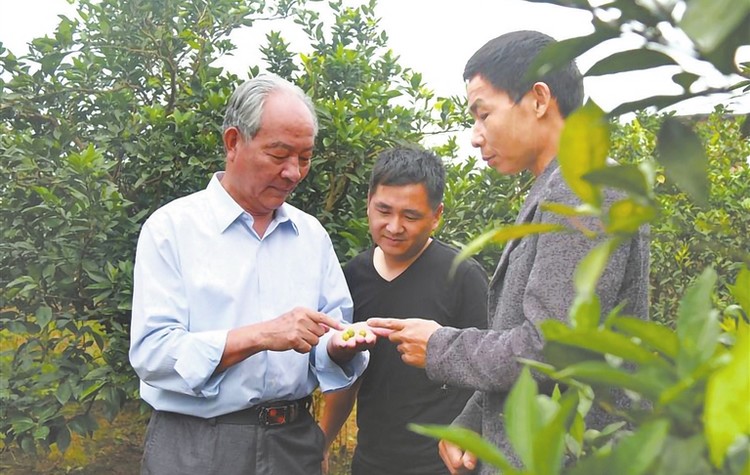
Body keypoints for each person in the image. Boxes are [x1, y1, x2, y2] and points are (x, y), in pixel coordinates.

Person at [368, 30, 650, 475]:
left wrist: (439, 345)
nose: (476, 137)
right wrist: (472, 422)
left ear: (539, 99)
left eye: (483, 114)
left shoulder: (584, 188)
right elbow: (518, 332)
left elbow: (547, 348)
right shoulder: (555, 186)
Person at [129, 74, 375, 475]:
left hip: (292, 441)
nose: (293, 172)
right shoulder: (173, 228)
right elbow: (154, 354)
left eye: (305, 157)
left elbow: (327, 333)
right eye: (279, 155)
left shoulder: (310, 236)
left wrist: (339, 345)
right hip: (197, 445)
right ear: (233, 142)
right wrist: (262, 335)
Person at [319, 146, 489, 475]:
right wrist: (322, 442)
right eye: (384, 210)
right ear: (368, 203)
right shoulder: (354, 275)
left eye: (410, 216)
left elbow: (489, 372)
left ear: (436, 215)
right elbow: (350, 376)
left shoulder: (462, 276)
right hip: (372, 462)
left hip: (442, 464)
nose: (394, 226)